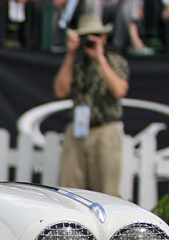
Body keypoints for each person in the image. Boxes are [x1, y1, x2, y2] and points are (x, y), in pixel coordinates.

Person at [53, 13, 129, 197]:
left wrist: (100, 58)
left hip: (105, 131)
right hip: (78, 131)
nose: (90, 40)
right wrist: (70, 53)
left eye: (95, 35)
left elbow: (120, 90)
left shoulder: (115, 61)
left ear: (103, 37)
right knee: (69, 191)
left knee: (106, 193)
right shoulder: (76, 61)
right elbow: (60, 90)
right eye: (86, 36)